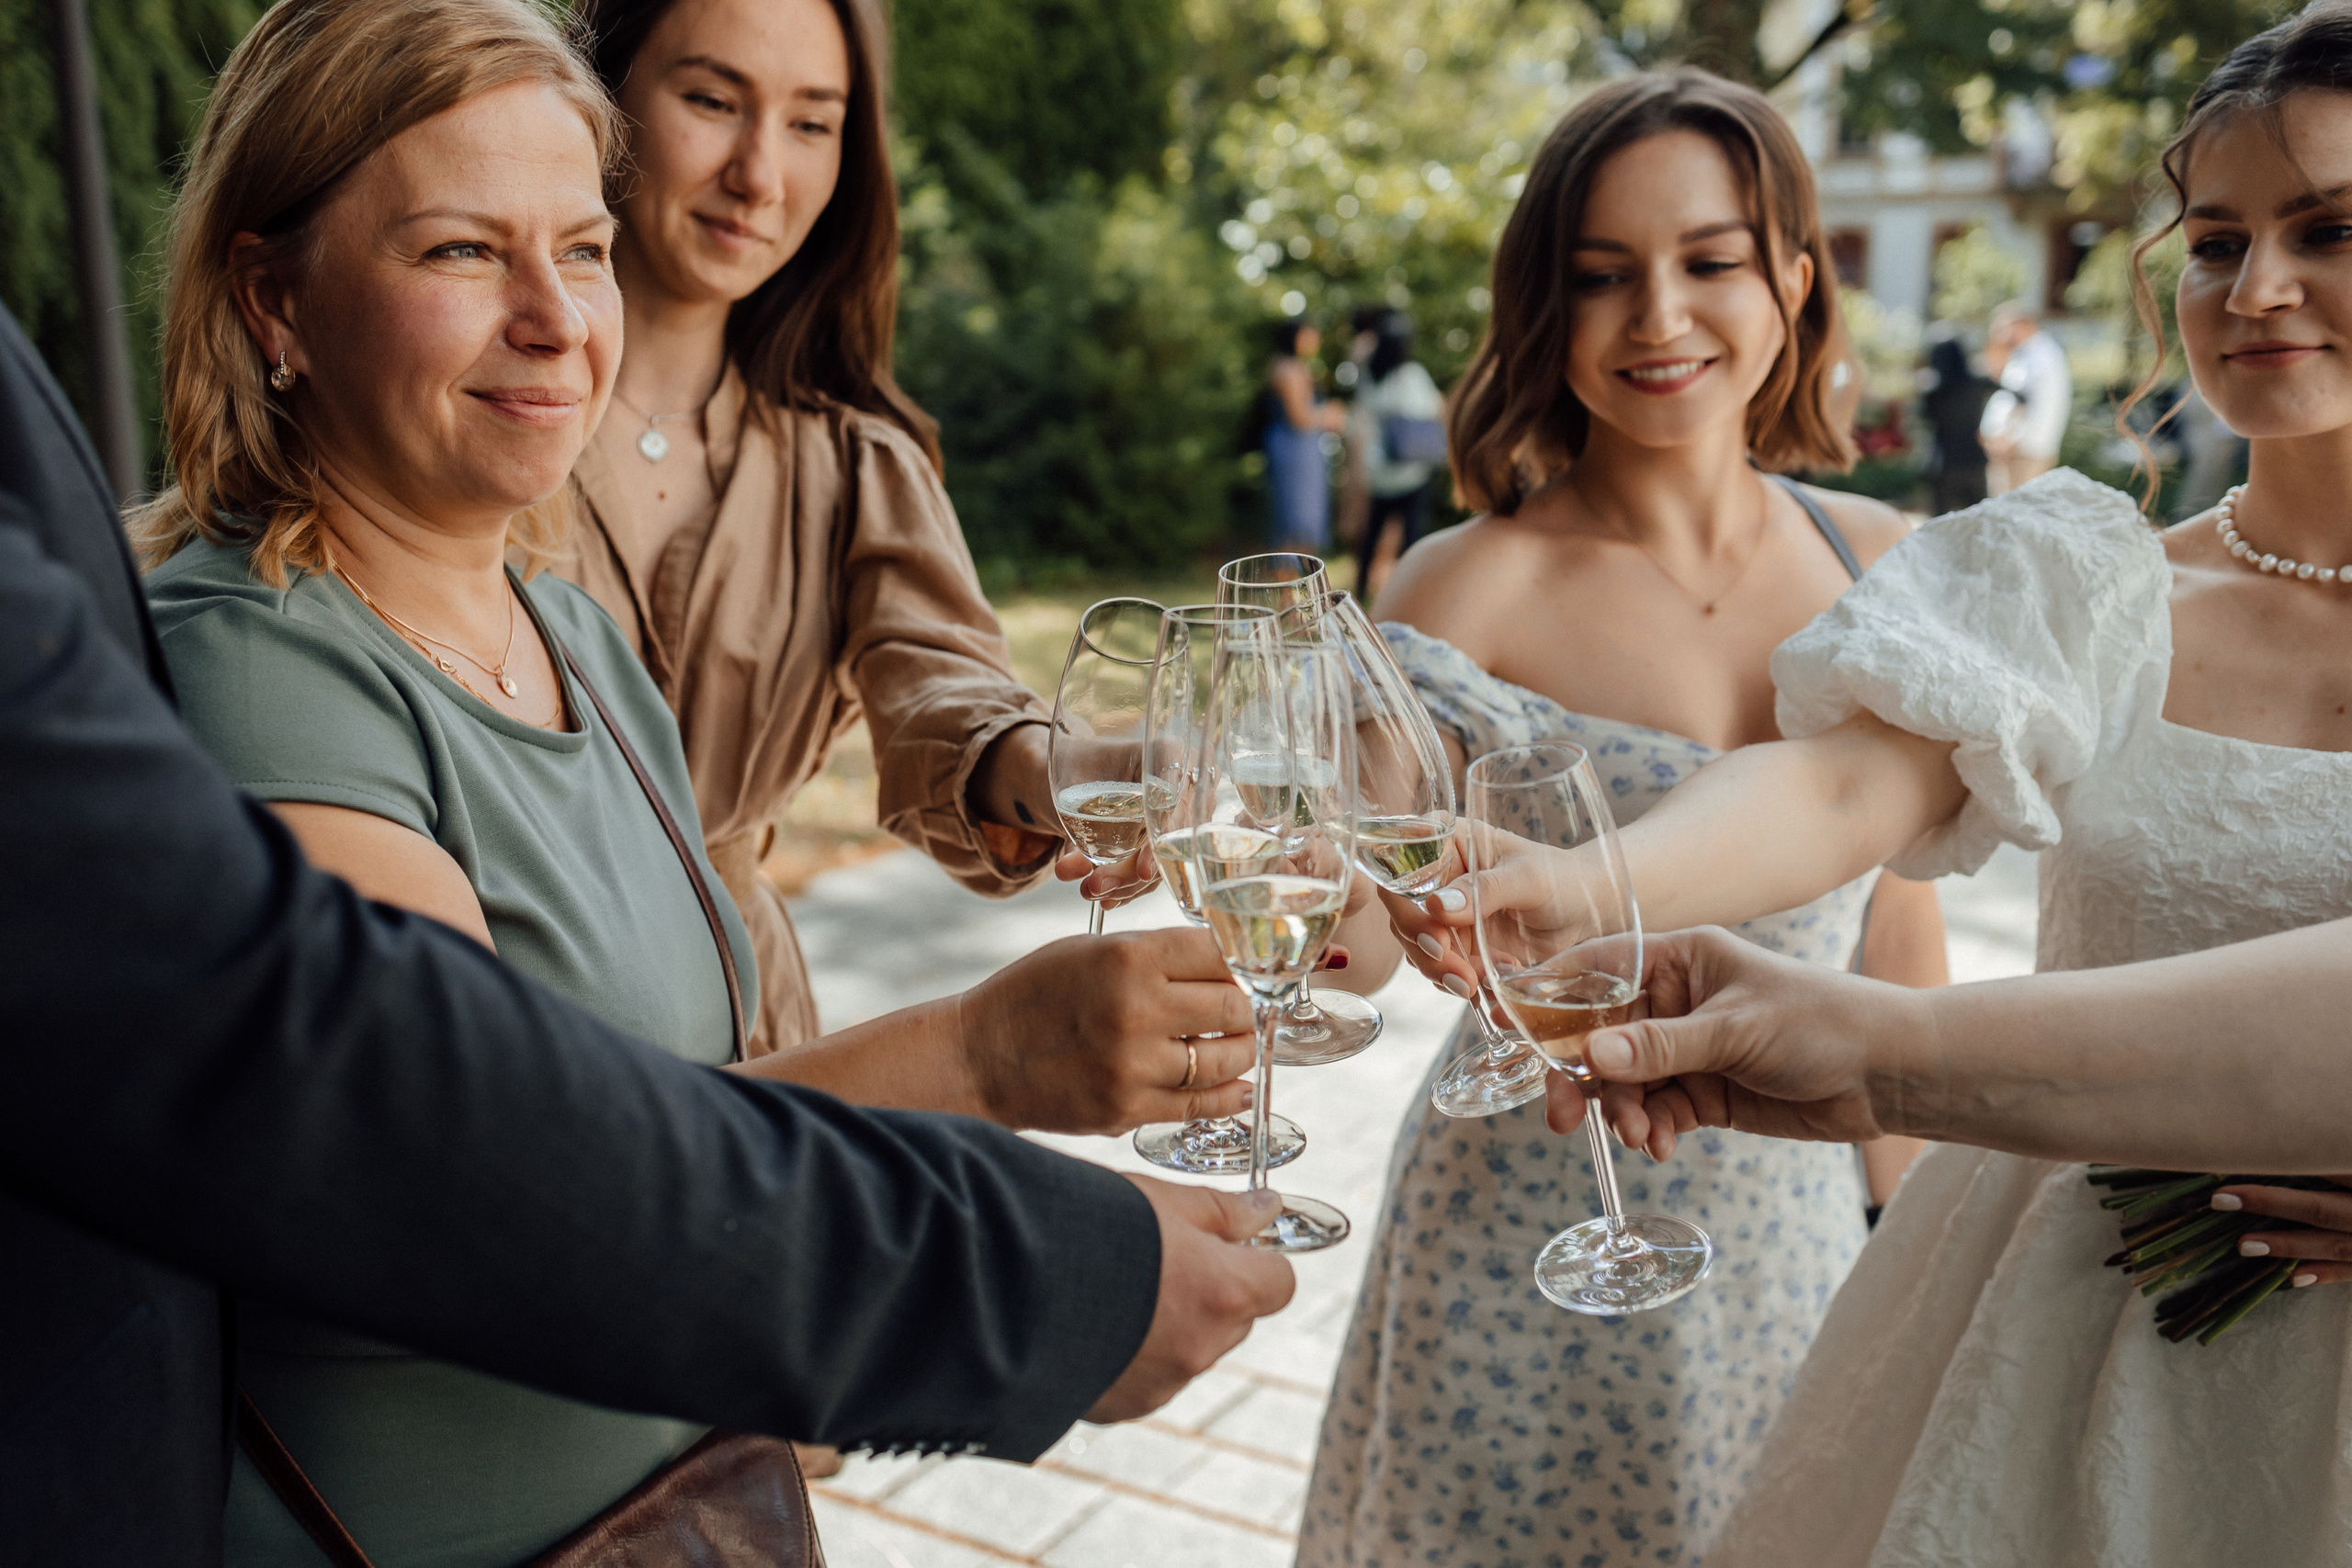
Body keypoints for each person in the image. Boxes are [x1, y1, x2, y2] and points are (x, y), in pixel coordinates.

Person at [122, 1, 1264, 1560]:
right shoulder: (256, 669)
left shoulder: (568, 628)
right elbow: (484, 1194)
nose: (552, 316)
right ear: (272, 300)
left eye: (579, 249)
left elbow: (677, 1094)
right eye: (462, 252)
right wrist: (987, 1076)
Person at [1389, 12, 2352, 1561]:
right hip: (2077, 1330)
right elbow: (1840, 797)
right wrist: (1579, 887)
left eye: (2333, 229)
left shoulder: (1860, 535)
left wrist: (1881, 1067)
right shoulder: (2080, 581)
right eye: (2219, 237)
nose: (2256, 289)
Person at [1297, 69, 1945, 1568]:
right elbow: (1363, 949)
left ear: (1793, 280)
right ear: (1547, 308)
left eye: (1709, 261)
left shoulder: (1889, 564)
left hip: (1787, 1236)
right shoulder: (1467, 585)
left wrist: (1905, 1240)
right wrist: (1299, 852)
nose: (1658, 315)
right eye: (1601, 276)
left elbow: (1900, 928)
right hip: (1523, 1234)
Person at [552, 0, 1085, 1058]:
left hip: (749, 1026)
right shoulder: (469, 418)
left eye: (812, 123)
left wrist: (1081, 768)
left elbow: (944, 692)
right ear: (599, 95)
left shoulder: (851, 467)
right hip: (506, 1015)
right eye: (711, 101)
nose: (760, 175)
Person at [1341, 310, 1444, 600]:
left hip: (1380, 473)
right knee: (1412, 538)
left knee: (1372, 535)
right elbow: (1431, 410)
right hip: (1412, 472)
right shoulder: (1410, 375)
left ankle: (1361, 590)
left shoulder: (1369, 378)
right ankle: (1413, 592)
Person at [1261, 317, 1348, 550]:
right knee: (1295, 515)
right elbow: (1299, 417)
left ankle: (1299, 578)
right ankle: (1288, 579)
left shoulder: (1294, 366)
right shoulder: (1287, 369)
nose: (1315, 340)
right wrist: (1328, 415)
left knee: (1305, 515)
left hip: (1303, 447)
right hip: (1293, 449)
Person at [1978, 298, 2072, 493]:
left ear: (2022, 324)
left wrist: (2011, 440)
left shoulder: (2043, 358)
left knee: (2014, 516)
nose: (1999, 334)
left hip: (2025, 452)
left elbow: (2039, 407)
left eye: (2003, 327)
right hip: (2011, 451)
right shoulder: (2024, 355)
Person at [1917, 333, 1994, 513]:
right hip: (1975, 458)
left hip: (1944, 460)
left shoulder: (1934, 391)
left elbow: (1926, 417)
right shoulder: (1980, 384)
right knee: (1978, 518)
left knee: (1941, 522)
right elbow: (2017, 396)